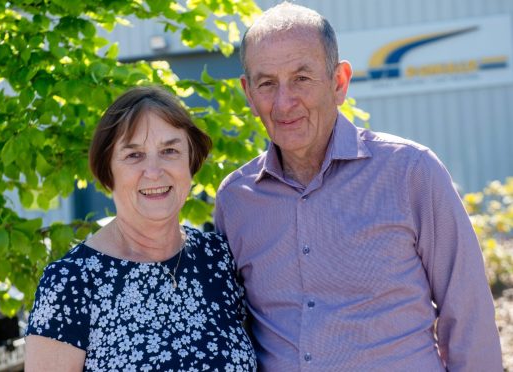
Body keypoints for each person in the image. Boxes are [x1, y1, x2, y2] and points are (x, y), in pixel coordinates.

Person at [213, 2, 502, 371]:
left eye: (302, 78)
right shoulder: (236, 200)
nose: (284, 102)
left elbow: (468, 312)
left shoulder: (411, 171)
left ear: (339, 82)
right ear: (248, 93)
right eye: (267, 83)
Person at [25, 86, 256, 371]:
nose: (154, 170)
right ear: (107, 170)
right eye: (134, 155)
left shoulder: (218, 258)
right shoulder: (70, 283)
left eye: (169, 150)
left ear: (190, 162)